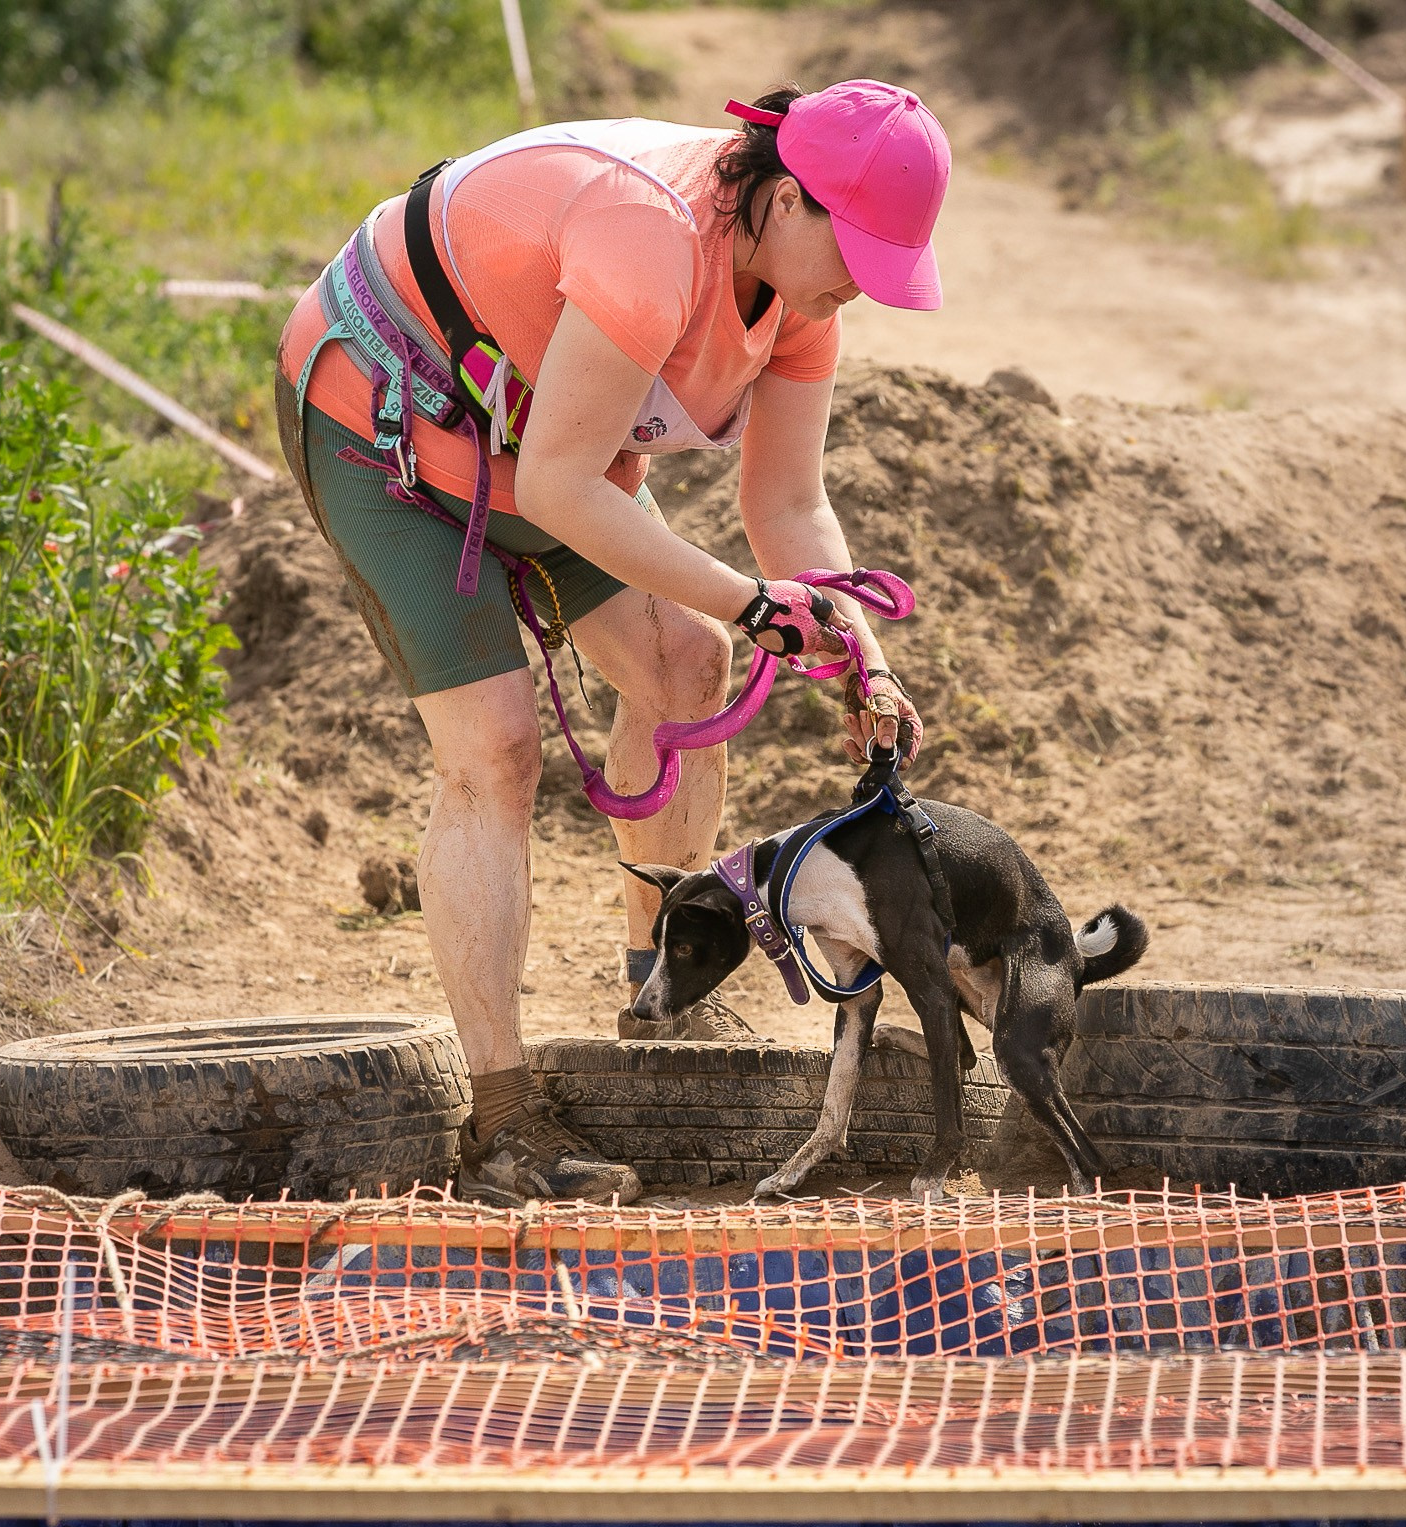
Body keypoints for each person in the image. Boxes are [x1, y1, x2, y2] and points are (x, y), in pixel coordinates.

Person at [274, 83, 948, 1203]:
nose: (862, 289)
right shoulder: (649, 240)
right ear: (785, 200)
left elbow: (788, 506)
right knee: (493, 748)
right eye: (858, 254)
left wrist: (859, 645)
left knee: (688, 663)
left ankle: (657, 992)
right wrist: (747, 599)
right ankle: (500, 1122)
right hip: (383, 425)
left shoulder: (800, 291)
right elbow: (565, 484)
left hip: (537, 441)